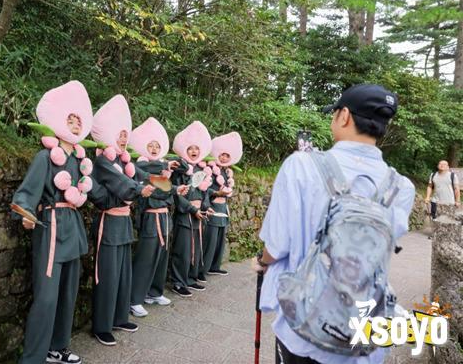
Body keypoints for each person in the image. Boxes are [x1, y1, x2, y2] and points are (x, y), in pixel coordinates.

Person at [253, 84, 416, 364]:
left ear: (343, 116)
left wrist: (263, 261)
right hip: (362, 328)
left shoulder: (301, 166)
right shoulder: (401, 187)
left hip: (303, 326)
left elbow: (277, 244)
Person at [12, 81, 109, 364]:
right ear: (57, 122)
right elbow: (25, 193)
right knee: (46, 297)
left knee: (68, 294)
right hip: (52, 226)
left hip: (73, 226)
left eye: (79, 120)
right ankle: (33, 357)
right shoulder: (45, 157)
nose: (76, 124)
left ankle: (57, 348)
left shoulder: (80, 161)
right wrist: (26, 215)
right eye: (70, 119)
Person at [89, 95, 157, 346]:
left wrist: (160, 179)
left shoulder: (122, 160)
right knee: (106, 275)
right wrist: (139, 190)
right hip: (108, 223)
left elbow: (141, 175)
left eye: (125, 134)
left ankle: (118, 317)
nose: (123, 138)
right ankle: (101, 325)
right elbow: (123, 185)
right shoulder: (103, 161)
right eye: (119, 134)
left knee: (123, 273)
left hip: (124, 222)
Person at [128, 117, 189, 317]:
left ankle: (154, 292)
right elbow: (151, 179)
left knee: (162, 256)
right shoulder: (141, 165)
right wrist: (165, 169)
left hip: (164, 218)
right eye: (150, 145)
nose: (154, 148)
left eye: (157, 146)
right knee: (145, 258)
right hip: (150, 218)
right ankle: (135, 299)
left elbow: (179, 173)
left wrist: (175, 185)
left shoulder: (162, 167)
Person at [170, 121, 214, 297]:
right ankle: (177, 281)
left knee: (195, 247)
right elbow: (177, 194)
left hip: (198, 214)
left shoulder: (199, 169)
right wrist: (190, 208)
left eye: (197, 148)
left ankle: (189, 277)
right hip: (184, 214)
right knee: (183, 248)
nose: (194, 151)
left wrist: (206, 207)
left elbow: (202, 193)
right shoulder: (179, 169)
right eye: (190, 148)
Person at [200, 132, 242, 281]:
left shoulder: (226, 172)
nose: (223, 158)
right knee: (210, 240)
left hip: (223, 208)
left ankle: (214, 266)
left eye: (227, 156)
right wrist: (217, 192)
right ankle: (202, 269)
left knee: (220, 239)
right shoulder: (209, 169)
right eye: (222, 155)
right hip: (212, 206)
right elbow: (203, 189)